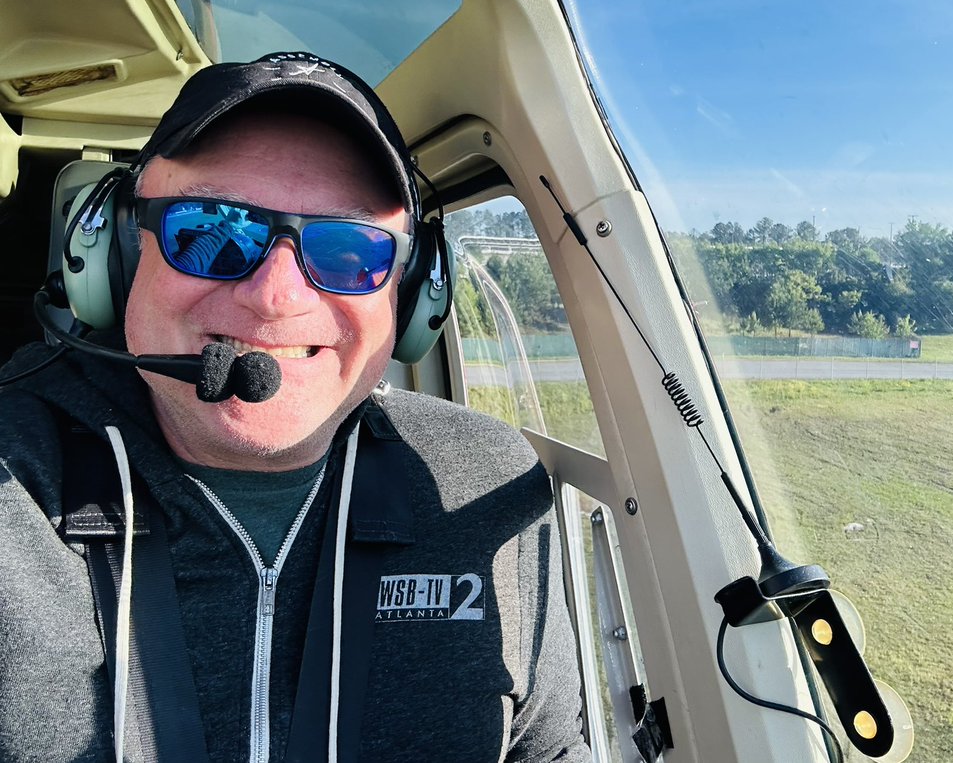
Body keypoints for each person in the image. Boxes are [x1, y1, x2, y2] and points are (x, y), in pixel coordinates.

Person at [0, 52, 591, 762]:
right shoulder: (13, 482)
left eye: (349, 249)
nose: (276, 295)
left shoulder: (489, 487)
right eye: (210, 230)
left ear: (412, 296)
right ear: (111, 254)